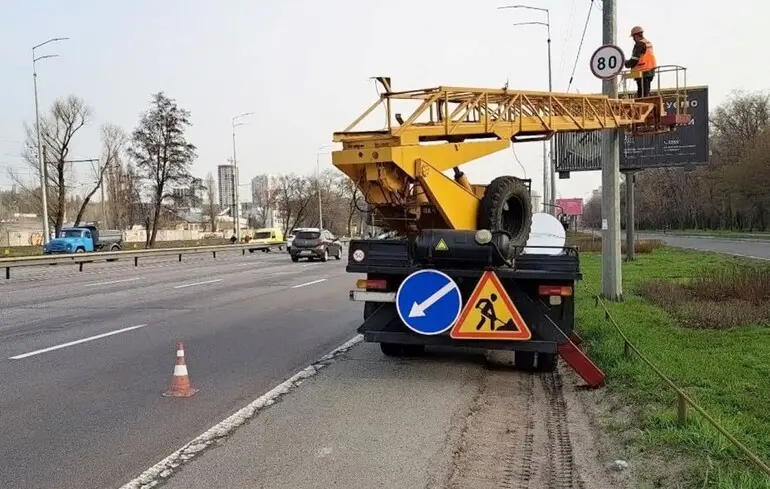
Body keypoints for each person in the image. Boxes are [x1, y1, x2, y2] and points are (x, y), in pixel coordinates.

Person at [624, 26, 657, 98]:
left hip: (643, 72)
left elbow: (634, 60)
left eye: (633, 37)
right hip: (650, 71)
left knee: (642, 94)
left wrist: (626, 63)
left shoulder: (639, 44)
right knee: (645, 92)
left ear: (636, 36)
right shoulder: (647, 42)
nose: (633, 39)